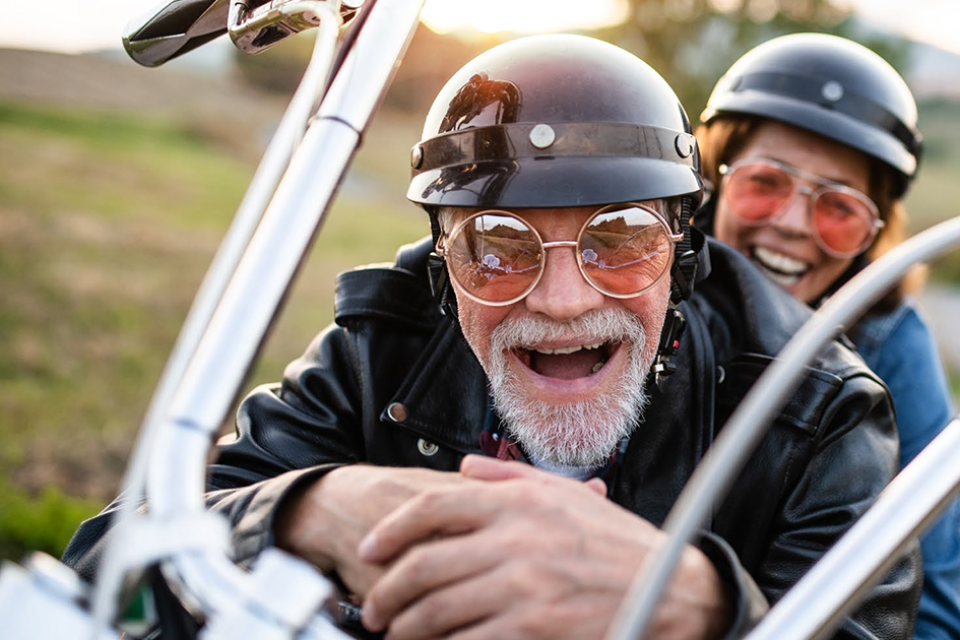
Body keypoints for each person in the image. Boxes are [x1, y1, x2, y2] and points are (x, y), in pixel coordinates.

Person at [63, 34, 920, 640]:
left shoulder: (823, 411)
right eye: (497, 247)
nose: (557, 300)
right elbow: (106, 568)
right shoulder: (383, 344)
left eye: (618, 238)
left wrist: (703, 607)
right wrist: (306, 510)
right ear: (443, 269)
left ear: (682, 257)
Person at [695, 33, 960, 640]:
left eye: (837, 206)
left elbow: (933, 613)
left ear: (873, 231)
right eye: (766, 182)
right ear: (714, 179)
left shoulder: (890, 341)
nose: (790, 224)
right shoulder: (645, 292)